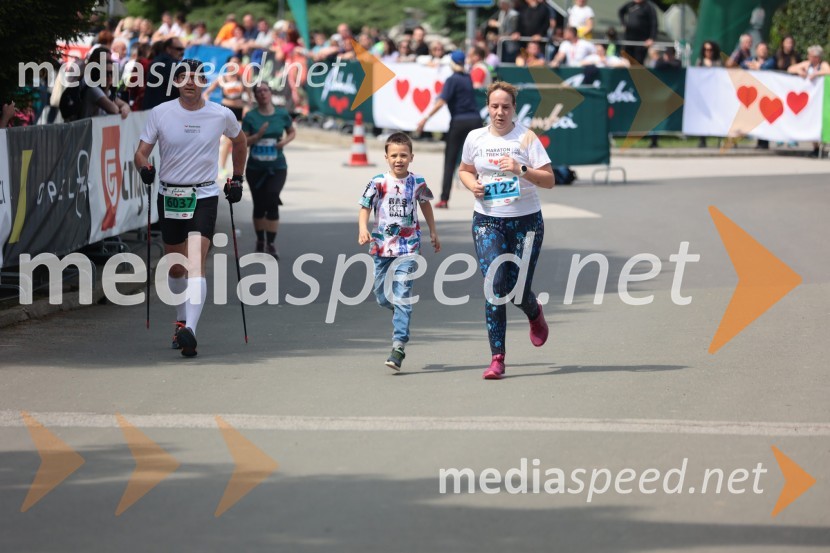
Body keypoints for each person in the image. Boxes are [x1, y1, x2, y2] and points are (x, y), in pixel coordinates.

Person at [134, 59, 248, 357]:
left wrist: (237, 178)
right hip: (170, 194)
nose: (189, 82)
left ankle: (190, 330)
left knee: (196, 261)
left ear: (204, 83)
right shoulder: (161, 113)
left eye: (196, 77)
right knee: (175, 266)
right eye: (183, 76)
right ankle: (180, 320)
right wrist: (144, 167)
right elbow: (141, 152)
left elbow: (240, 141)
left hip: (204, 194)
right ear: (175, 83)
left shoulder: (220, 114)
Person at [458, 81, 554, 380]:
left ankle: (533, 312)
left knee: (517, 290)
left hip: (526, 221)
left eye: (506, 107)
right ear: (488, 106)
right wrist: (470, 183)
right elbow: (465, 169)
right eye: (495, 106)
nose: (500, 112)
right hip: (488, 220)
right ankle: (497, 357)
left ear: (514, 109)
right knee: (495, 286)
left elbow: (549, 180)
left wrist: (520, 169)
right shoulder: (475, 137)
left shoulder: (525, 138)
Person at [358, 132, 440, 371]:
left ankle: (398, 346)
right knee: (382, 297)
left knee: (402, 294)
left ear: (411, 157)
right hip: (382, 247)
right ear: (386, 157)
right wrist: (363, 229)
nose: (399, 159)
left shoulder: (417, 183)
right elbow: (364, 207)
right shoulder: (377, 182)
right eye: (394, 155)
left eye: (403, 155)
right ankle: (400, 312)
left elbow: (426, 206)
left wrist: (433, 232)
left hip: (408, 248)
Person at [416, 50, 483, 209]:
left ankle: (444, 199)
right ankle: (488, 194)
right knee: (480, 160)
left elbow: (441, 102)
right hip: (475, 120)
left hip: (459, 121)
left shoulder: (452, 80)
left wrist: (425, 118)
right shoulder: (468, 78)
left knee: (450, 161)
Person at [242, 83, 296, 257]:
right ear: (255, 97)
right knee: (259, 204)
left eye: (265, 90)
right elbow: (243, 142)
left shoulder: (281, 114)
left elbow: (292, 132)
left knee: (272, 199)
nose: (263, 93)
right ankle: (260, 240)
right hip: (255, 168)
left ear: (271, 93)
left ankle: (271, 244)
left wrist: (283, 142)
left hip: (277, 167)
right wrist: (257, 136)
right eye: (259, 91)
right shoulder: (251, 117)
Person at [203, 56, 249, 178]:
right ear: (227, 64)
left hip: (239, 112)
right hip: (226, 111)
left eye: (238, 62)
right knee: (227, 140)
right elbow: (206, 93)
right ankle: (221, 167)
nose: (235, 65)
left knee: (238, 141)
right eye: (233, 62)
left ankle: (235, 168)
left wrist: (247, 107)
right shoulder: (221, 79)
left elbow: (250, 97)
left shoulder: (242, 79)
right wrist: (208, 105)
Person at [788, 45, 830, 158]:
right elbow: (790, 68)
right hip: (810, 100)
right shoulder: (807, 64)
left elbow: (828, 71)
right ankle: (815, 147)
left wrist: (816, 74)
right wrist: (799, 71)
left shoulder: (823, 65)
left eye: (812, 56)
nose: (809, 58)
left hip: (821, 99)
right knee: (812, 122)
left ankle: (824, 145)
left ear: (817, 57)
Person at [142, 37, 185, 109]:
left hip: (152, 108)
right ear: (168, 49)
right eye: (178, 49)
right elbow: (176, 89)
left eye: (183, 49)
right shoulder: (168, 64)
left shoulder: (157, 61)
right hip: (162, 110)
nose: (182, 52)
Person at [618, 0, 658, 65]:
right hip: (629, 40)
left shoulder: (649, 6)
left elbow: (654, 23)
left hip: (641, 42)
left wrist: (652, 38)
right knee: (626, 60)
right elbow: (621, 12)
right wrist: (623, 23)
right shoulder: (630, 4)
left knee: (638, 62)